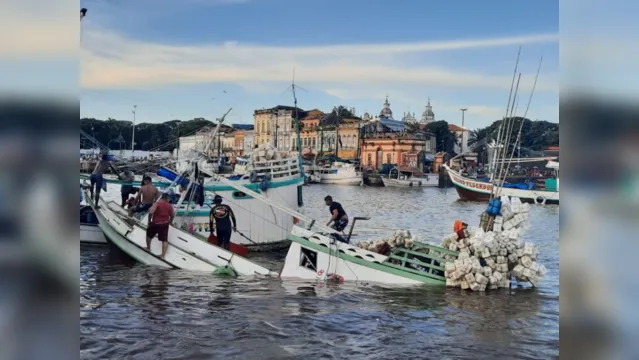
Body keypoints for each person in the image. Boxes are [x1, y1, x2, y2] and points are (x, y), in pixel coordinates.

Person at [146, 193, 175, 259]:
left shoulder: (157, 203)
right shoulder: (170, 205)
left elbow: (151, 212)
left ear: (162, 197)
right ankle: (162, 255)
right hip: (165, 224)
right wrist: (170, 222)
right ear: (167, 198)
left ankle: (148, 248)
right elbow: (172, 215)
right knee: (165, 240)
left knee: (149, 235)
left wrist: (149, 220)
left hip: (156, 223)